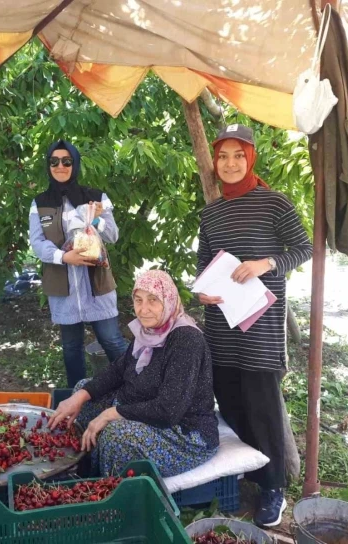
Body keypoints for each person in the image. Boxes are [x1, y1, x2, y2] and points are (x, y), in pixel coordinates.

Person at [196, 124, 313, 527]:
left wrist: (267, 264)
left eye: (238, 155)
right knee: (230, 400)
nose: (230, 163)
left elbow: (305, 247)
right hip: (221, 324)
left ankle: (273, 487)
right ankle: (249, 469)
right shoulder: (210, 213)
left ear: (251, 158)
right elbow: (203, 266)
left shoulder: (275, 203)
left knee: (263, 406)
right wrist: (201, 294)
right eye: (223, 156)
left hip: (261, 326)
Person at [49, 270, 218, 478]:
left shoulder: (186, 340)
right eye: (138, 300)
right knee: (82, 392)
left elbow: (168, 410)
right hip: (144, 406)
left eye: (153, 300)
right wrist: (80, 396)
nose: (143, 309)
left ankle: (109, 495)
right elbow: (117, 371)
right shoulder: (148, 331)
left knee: (116, 436)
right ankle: (84, 470)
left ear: (169, 300)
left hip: (184, 432)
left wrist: (110, 414)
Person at [29, 139, 129, 387]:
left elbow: (113, 236)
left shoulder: (95, 198)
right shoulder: (40, 203)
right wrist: (64, 257)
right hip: (62, 287)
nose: (60, 166)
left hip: (96, 284)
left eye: (66, 161)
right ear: (48, 165)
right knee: (71, 347)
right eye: (54, 161)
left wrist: (95, 220)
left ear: (75, 164)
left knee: (112, 340)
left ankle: (132, 388)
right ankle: (77, 396)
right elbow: (37, 242)